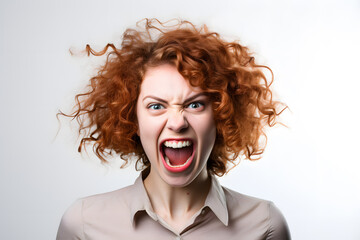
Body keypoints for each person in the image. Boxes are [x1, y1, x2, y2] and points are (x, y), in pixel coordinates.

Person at [56, 18, 291, 240]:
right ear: (131, 119)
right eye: (156, 106)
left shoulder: (265, 225)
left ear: (220, 115)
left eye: (195, 104)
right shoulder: (83, 225)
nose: (177, 123)